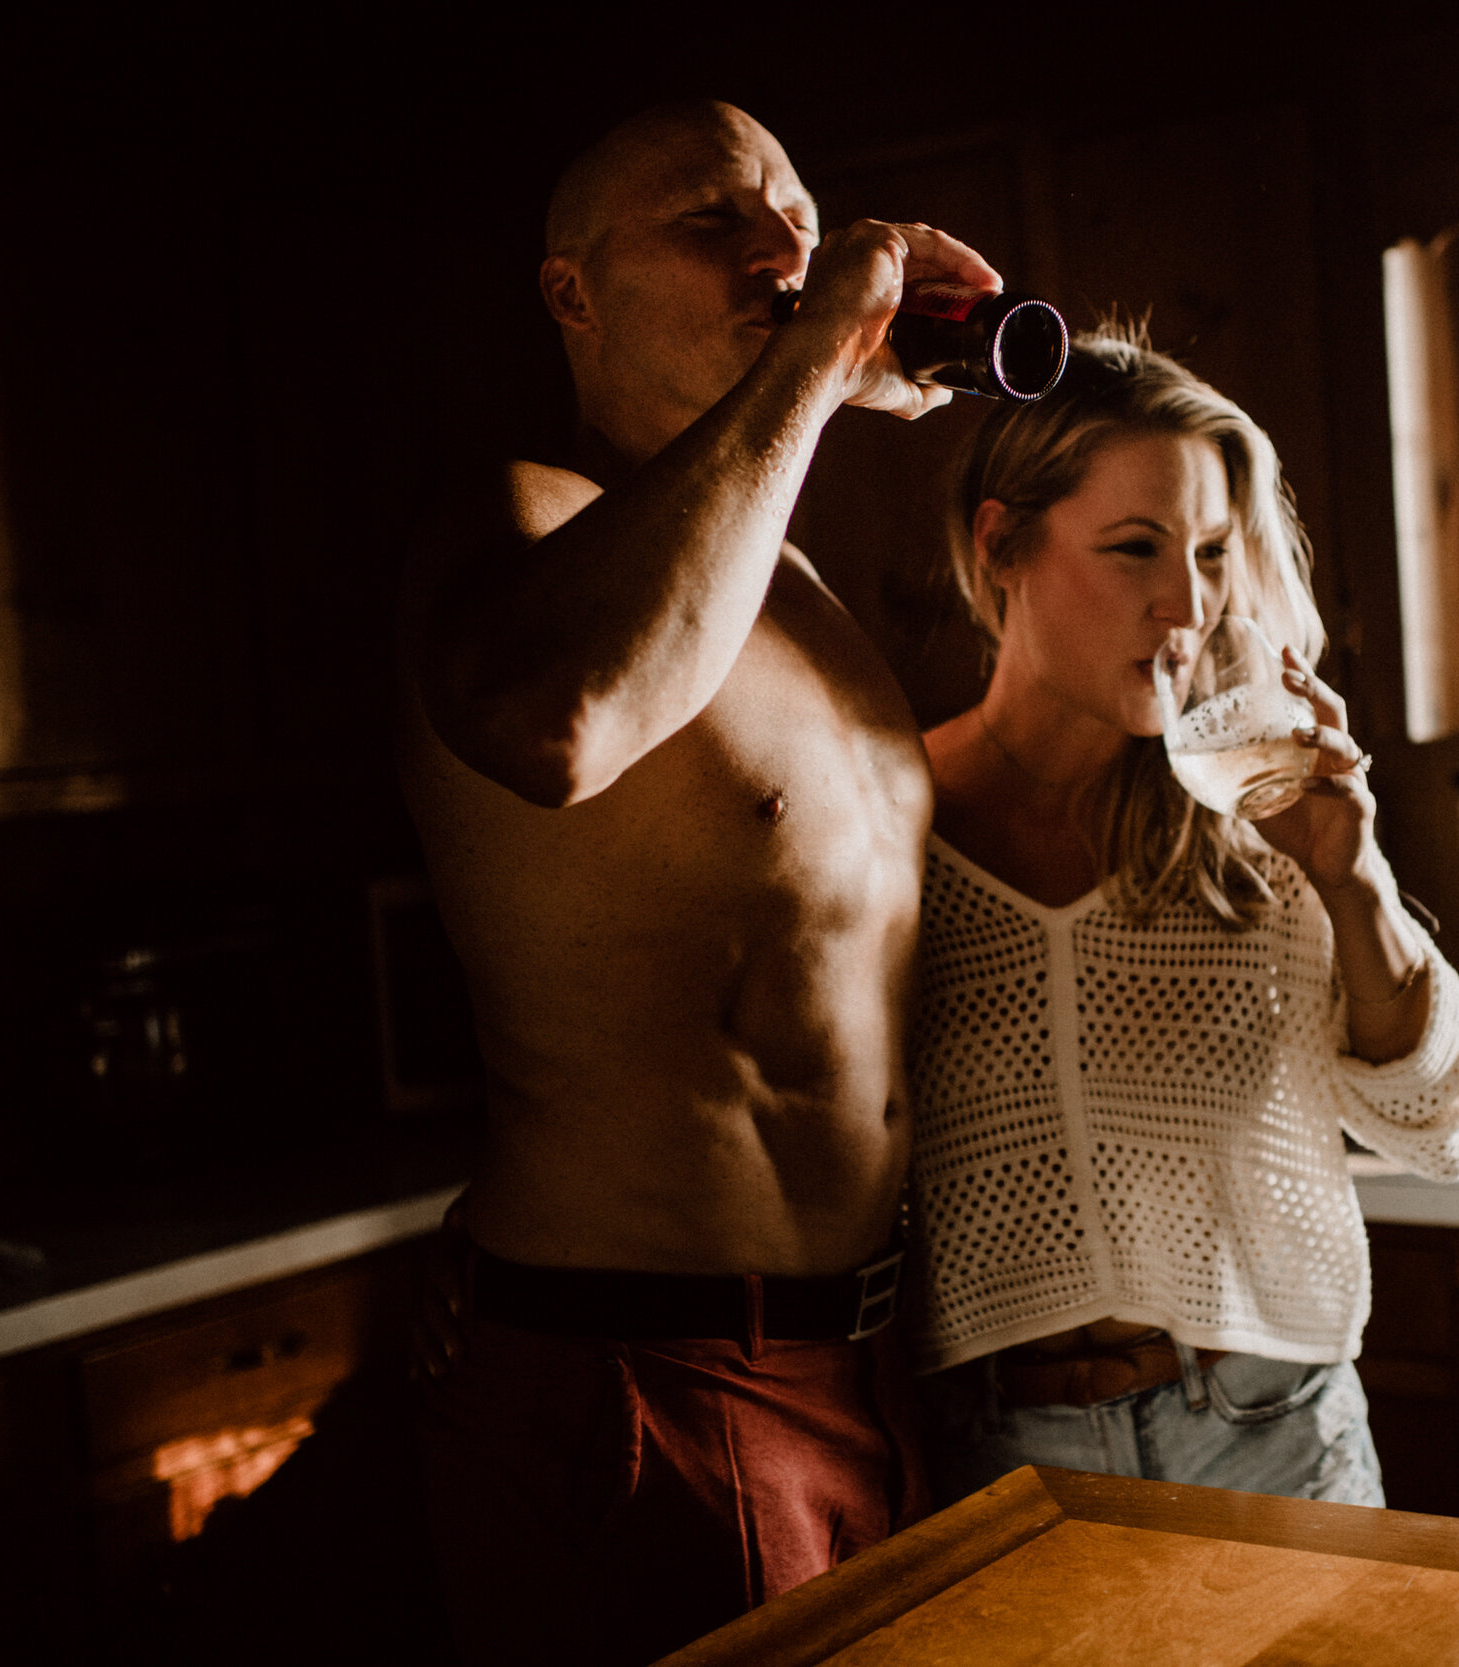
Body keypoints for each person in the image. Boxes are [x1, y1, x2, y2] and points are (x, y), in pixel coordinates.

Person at [396, 100, 998, 1663]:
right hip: (642, 1377)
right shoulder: (518, 520)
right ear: (572, 295)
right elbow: (561, 720)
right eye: (710, 222)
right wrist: (814, 360)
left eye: (795, 216)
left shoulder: (787, 577)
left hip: (870, 1365)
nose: (782, 249)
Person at [908, 330, 1459, 1506]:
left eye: (1215, 553)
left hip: (1272, 1436)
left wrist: (1355, 880)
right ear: (1000, 543)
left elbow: (1442, 1125)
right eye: (1134, 548)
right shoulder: (885, 827)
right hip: (993, 1461)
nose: (1186, 603)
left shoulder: (1257, 821)